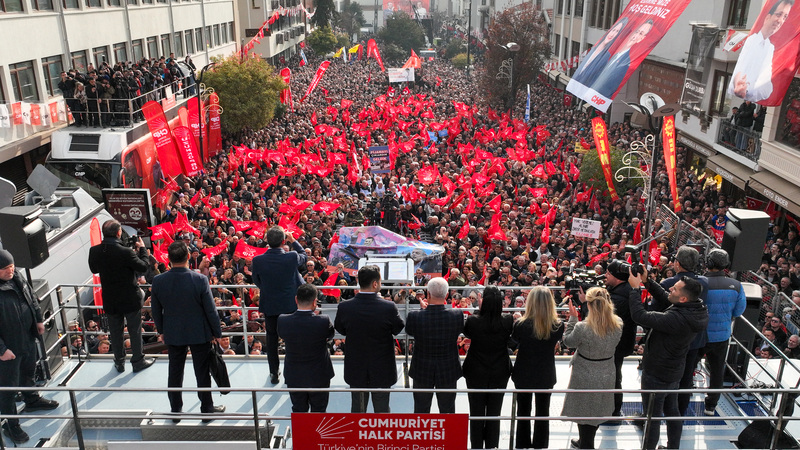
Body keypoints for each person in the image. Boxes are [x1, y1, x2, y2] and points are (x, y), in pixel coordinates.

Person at [629, 269, 709, 450]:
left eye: (675, 289)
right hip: (674, 370)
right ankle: (673, 447)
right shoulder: (696, 308)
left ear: (683, 299)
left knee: (652, 417)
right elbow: (667, 297)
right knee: (672, 411)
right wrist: (647, 281)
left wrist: (635, 290)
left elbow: (640, 316)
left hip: (657, 372)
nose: (670, 288)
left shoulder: (676, 318)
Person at [150, 241, 225, 423]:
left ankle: (176, 411)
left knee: (174, 372)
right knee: (202, 371)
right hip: (199, 332)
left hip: (173, 333)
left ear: (169, 259)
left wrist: (161, 330)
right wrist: (217, 332)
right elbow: (210, 310)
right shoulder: (199, 279)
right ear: (187, 258)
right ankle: (206, 410)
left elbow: (156, 309)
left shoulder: (158, 281)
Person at [0, 250, 59, 444]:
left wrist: (38, 320)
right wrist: (1, 350)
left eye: (11, 266)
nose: (11, 270)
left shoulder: (16, 276)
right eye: (6, 268)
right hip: (8, 348)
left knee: (28, 371)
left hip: (26, 337)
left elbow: (31, 297)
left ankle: (32, 399)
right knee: (8, 389)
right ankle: (11, 424)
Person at [334, 265, 405, 413]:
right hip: (382, 370)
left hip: (356, 369)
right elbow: (398, 329)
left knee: (358, 411)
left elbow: (340, 329)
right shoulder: (388, 307)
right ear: (375, 284)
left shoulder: (345, 307)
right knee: (382, 413)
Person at [88, 219, 155, 373]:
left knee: (115, 332)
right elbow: (144, 266)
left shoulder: (95, 251)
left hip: (111, 299)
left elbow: (94, 269)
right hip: (129, 298)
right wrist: (143, 250)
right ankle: (138, 361)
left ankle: (119, 362)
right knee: (134, 330)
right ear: (118, 233)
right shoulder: (126, 252)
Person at [561, 287, 623, 449]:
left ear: (589, 305)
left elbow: (568, 342)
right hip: (607, 371)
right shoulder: (618, 324)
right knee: (595, 410)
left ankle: (586, 444)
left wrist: (573, 319)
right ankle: (585, 441)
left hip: (585, 372)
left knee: (584, 411)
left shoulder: (582, 327)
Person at [251, 226, 307, 384]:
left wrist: (268, 289)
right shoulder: (291, 257)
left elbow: (256, 281)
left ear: (267, 240)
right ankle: (292, 372)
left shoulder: (258, 260)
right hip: (290, 305)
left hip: (270, 304)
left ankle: (274, 373)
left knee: (272, 339)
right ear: (284, 241)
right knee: (292, 339)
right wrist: (294, 240)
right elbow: (304, 255)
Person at [511, 286, 564, 449]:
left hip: (524, 372)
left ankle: (522, 443)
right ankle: (541, 444)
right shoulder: (557, 325)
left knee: (523, 410)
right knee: (543, 411)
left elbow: (514, 342)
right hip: (545, 373)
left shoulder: (520, 324)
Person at [462, 286, 514, 449]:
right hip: (499, 371)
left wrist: (480, 307)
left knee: (476, 412)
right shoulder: (507, 320)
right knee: (494, 413)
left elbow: (468, 333)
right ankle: (492, 446)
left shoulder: (473, 321)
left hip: (475, 371)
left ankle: (476, 446)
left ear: (483, 301)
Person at [405, 277, 464, 413]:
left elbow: (409, 331)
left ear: (428, 294)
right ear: (447, 294)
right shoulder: (457, 315)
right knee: (448, 411)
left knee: (421, 411)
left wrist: (422, 311)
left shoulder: (415, 316)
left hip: (422, 369)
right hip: (448, 369)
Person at [699, 249, 746, 416]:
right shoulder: (737, 286)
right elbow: (739, 310)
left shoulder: (699, 282)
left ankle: (681, 396)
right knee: (717, 371)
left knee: (687, 366)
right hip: (722, 336)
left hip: (699, 335)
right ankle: (711, 406)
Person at [277, 283, 335, 412]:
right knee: (319, 411)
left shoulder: (283, 320)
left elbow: (282, 335)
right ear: (315, 302)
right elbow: (329, 336)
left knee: (298, 410)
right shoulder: (324, 321)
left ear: (296, 299)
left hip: (294, 375)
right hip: (319, 375)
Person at [728, 0, 794, 102]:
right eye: (779, 14)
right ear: (767, 17)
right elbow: (741, 68)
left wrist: (748, 88)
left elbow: (767, 90)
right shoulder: (752, 41)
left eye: (784, 17)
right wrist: (742, 85)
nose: (780, 20)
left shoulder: (769, 47)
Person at [604, 259, 637, 419]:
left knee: (614, 376)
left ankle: (613, 410)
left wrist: (585, 304)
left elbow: (602, 319)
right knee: (615, 374)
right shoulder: (625, 290)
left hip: (616, 345)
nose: (605, 276)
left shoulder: (618, 298)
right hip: (621, 343)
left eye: (608, 273)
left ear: (616, 276)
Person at [591, 19, 654, 98]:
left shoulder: (626, 63)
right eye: (637, 31)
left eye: (640, 33)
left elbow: (611, 86)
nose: (635, 36)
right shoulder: (612, 53)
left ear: (641, 38)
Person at [572, 17, 629, 87]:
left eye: (617, 32)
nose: (613, 34)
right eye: (613, 30)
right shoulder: (593, 49)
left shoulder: (607, 57)